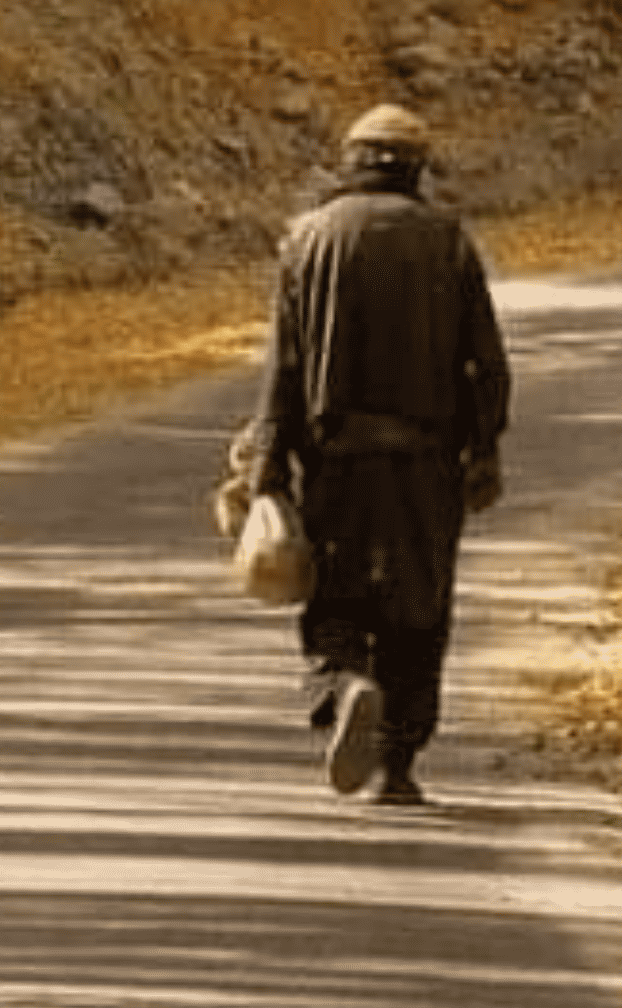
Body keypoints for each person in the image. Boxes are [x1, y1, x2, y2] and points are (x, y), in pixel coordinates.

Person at [217, 104, 511, 806]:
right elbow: (488, 365)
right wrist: (484, 450)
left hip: (337, 460)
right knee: (419, 609)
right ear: (417, 168)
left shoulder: (308, 239)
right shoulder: (448, 241)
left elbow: (284, 369)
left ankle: (345, 682)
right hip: (427, 463)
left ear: (350, 161)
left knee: (335, 598)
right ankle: (396, 765)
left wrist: (266, 468)